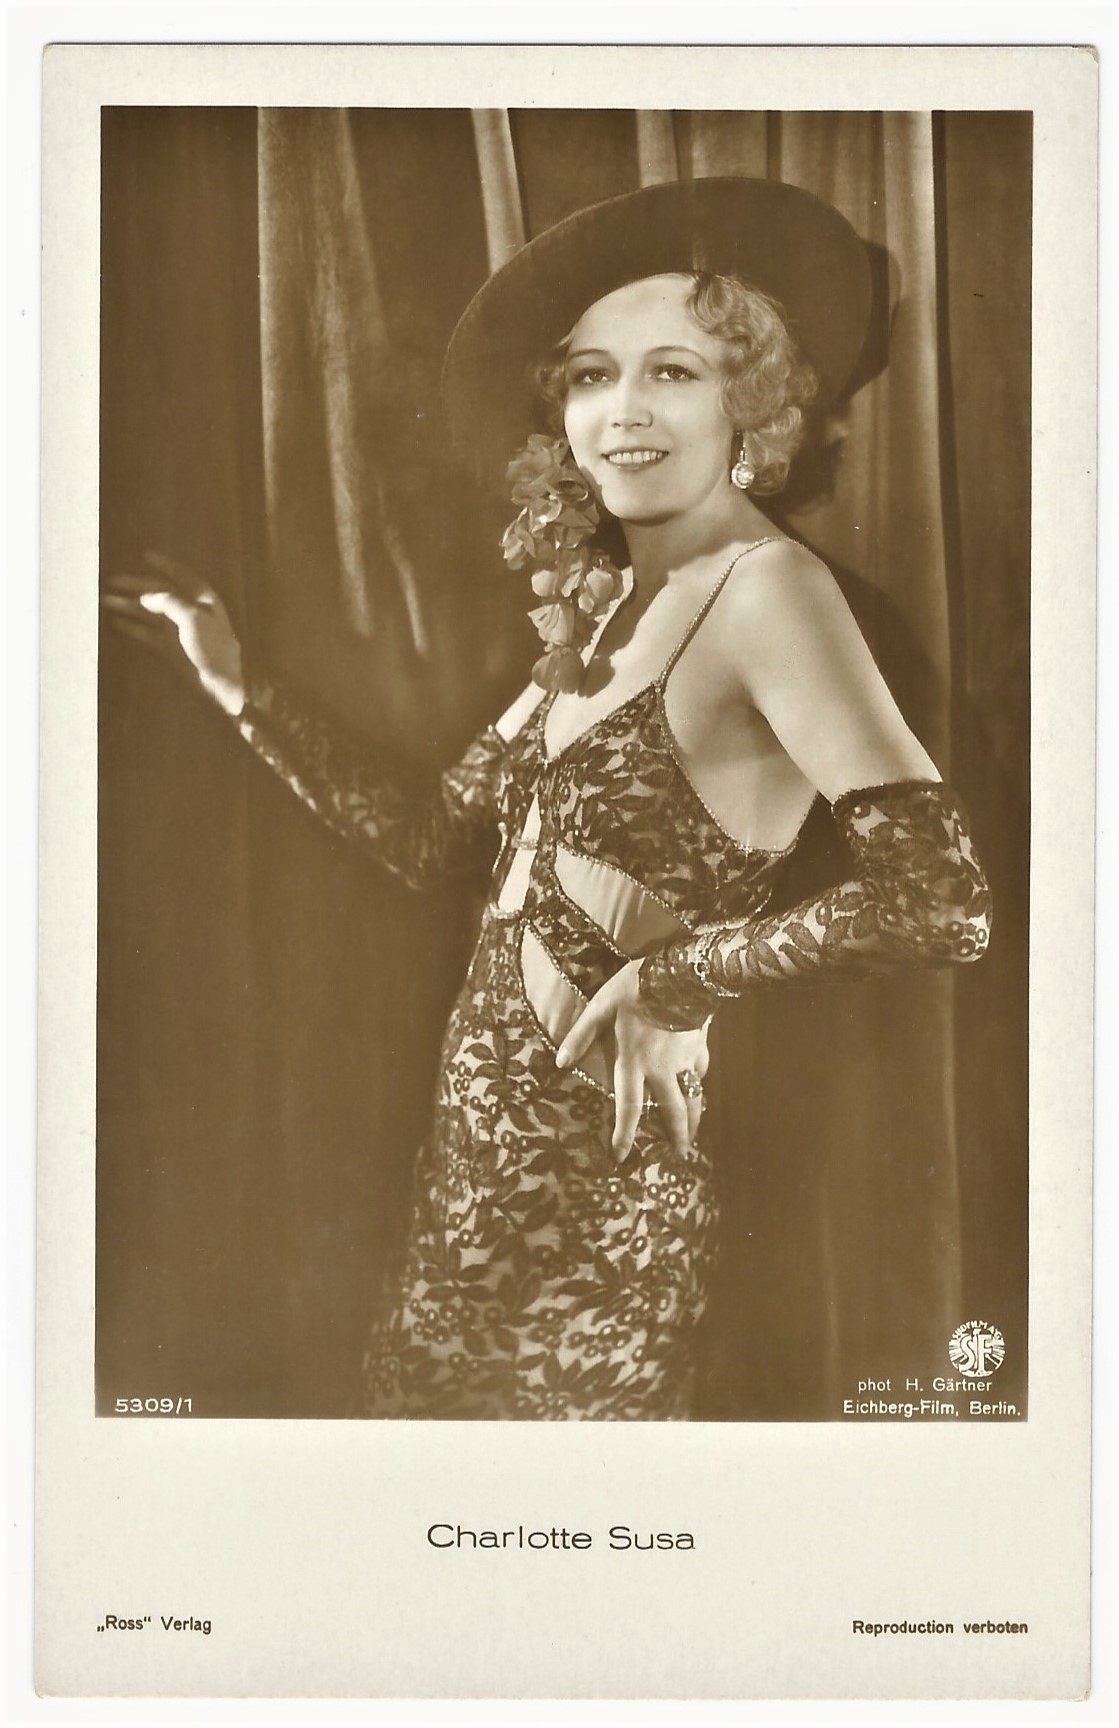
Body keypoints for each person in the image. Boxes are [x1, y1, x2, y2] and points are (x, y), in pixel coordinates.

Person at [104, 177, 991, 1421]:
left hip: (603, 1206)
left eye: (672, 372)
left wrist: (682, 979)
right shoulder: (604, 604)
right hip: (468, 1189)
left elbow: (942, 901)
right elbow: (432, 842)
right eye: (588, 376)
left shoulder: (771, 592)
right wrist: (239, 686)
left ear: (750, 405)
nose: (622, 409)